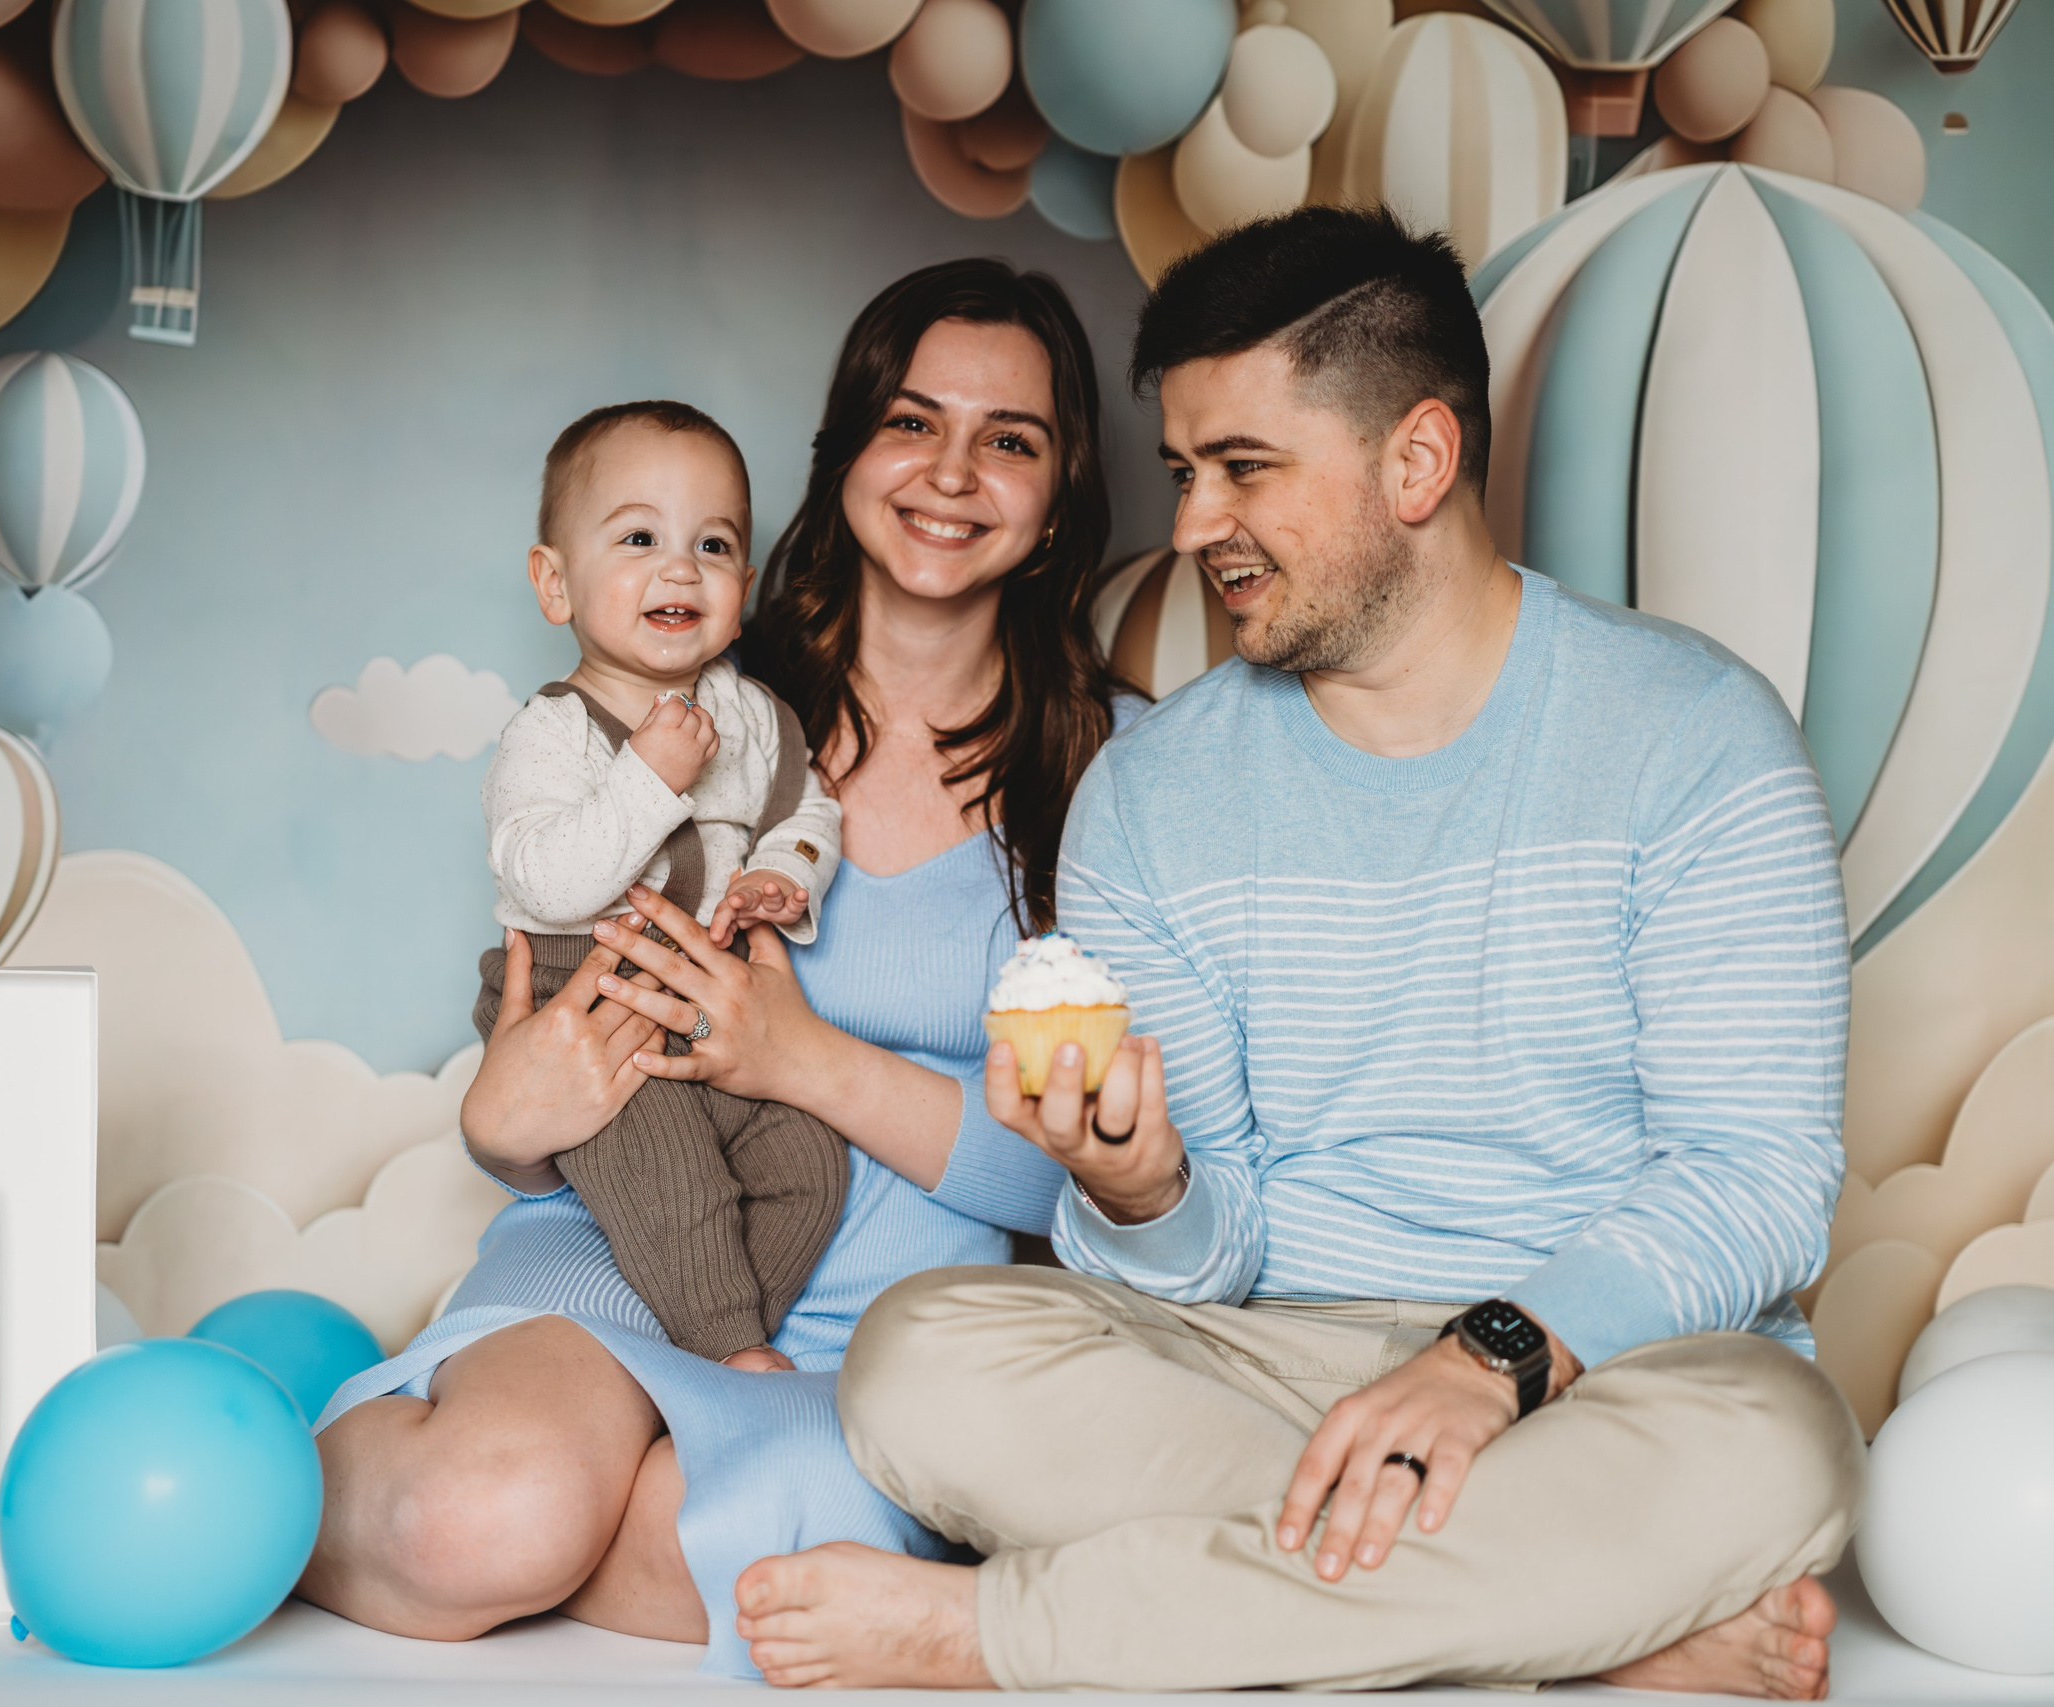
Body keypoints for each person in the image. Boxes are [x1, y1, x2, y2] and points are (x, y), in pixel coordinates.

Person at [731, 206, 1865, 1699]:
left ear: (1419, 459)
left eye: (1244, 469)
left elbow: (1760, 1176)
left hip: (1598, 1369)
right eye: (1187, 471)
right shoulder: (1151, 792)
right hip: (1264, 1363)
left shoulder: (1698, 739)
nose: (1195, 524)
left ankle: (1007, 1635)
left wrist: (1487, 1359)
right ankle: (1584, 1620)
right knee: (923, 1357)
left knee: (1780, 1445)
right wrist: (1142, 1189)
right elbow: (1216, 1249)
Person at [296, 258, 1137, 1676]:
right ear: (846, 452)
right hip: (635, 1235)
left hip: (896, 1310)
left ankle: (573, 1489)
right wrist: (499, 1123)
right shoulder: (699, 704)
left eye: (1009, 439)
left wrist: (802, 1057)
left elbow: (1097, 1173)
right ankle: (421, 1471)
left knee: (747, 1554)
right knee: (473, 1519)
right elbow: (555, 1008)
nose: (950, 472)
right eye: (909, 422)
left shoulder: (1116, 771)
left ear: (1059, 500)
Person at [475, 399, 847, 1371]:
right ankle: (727, 1350)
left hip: (706, 986)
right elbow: (544, 878)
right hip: (583, 989)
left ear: (744, 586)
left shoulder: (750, 711)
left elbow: (807, 807)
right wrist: (649, 779)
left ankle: (693, 1345)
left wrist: (779, 875)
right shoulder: (550, 730)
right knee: (674, 1179)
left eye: (713, 545)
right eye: (639, 536)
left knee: (808, 1166)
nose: (680, 568)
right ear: (555, 584)